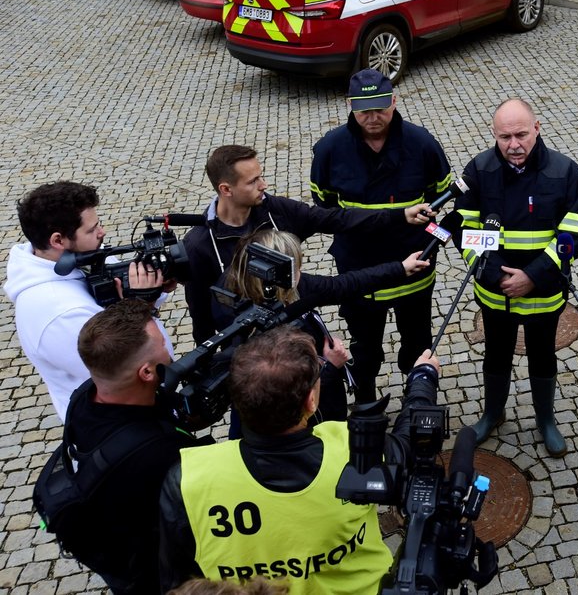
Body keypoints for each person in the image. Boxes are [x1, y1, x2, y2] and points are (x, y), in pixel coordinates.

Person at [158, 326, 442, 594]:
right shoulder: (348, 445)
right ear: (311, 402)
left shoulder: (187, 478)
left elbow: (177, 580)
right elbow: (407, 447)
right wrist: (422, 381)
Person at [184, 144, 430, 345]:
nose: (264, 185)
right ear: (226, 189)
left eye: (261, 175)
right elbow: (201, 315)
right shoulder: (199, 245)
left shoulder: (276, 210)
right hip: (248, 352)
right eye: (253, 181)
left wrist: (399, 216)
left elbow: (335, 219)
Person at [453, 98, 578, 457]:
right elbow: (465, 230)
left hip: (543, 292)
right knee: (496, 355)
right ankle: (492, 413)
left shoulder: (566, 173)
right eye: (504, 137)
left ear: (537, 128)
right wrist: (496, 274)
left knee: (543, 355)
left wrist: (532, 276)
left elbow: (574, 236)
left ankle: (545, 419)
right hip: (495, 292)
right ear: (494, 135)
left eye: (521, 134)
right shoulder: (478, 172)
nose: (514, 145)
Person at [309, 68, 452, 403]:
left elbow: (440, 193)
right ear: (349, 106)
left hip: (414, 273)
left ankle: (416, 404)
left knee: (417, 345)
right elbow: (326, 206)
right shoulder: (330, 150)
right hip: (360, 276)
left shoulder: (423, 145)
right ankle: (366, 407)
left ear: (394, 101)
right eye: (363, 110)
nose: (372, 117)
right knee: (365, 349)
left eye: (379, 107)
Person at [57, 299, 210, 594]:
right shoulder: (161, 453)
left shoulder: (83, 398)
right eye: (163, 343)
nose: (169, 350)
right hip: (154, 570)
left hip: (113, 538)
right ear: (147, 373)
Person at [212, 229, 428, 427]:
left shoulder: (289, 287)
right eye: (295, 267)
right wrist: (330, 367)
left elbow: (343, 285)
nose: (301, 271)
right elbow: (283, 396)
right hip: (307, 422)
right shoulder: (249, 329)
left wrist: (399, 268)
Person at [4, 181, 167, 421]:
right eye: (91, 230)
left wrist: (155, 285)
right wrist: (143, 307)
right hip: (119, 424)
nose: (102, 232)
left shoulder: (74, 260)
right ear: (58, 240)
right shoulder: (61, 313)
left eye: (98, 223)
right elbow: (142, 366)